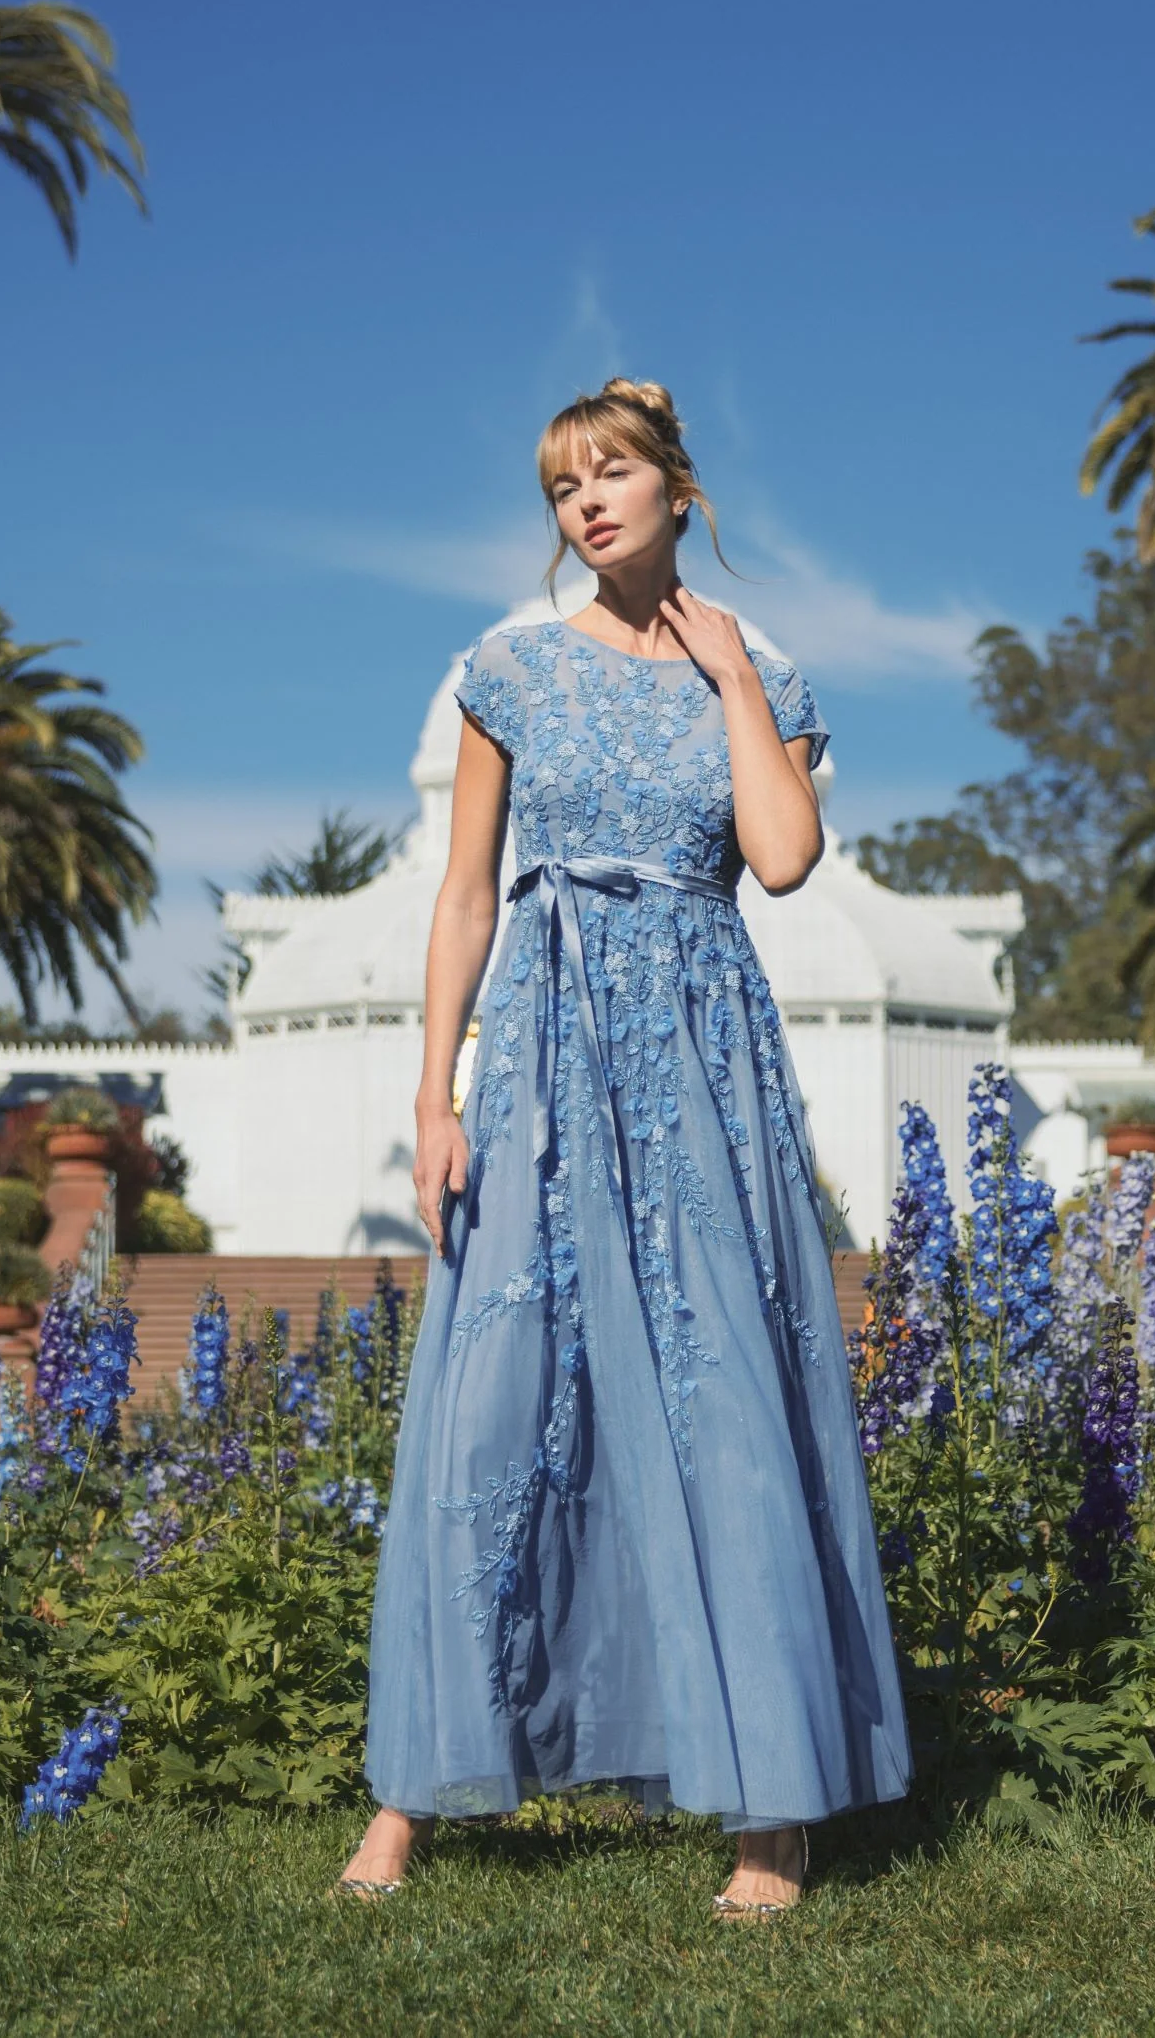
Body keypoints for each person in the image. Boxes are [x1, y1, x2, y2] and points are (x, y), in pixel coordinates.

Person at [337, 379, 909, 1917]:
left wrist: (730, 679)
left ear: (676, 487)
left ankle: (770, 1818)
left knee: (727, 1390)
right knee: (486, 1400)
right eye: (561, 487)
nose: (585, 503)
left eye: (611, 474)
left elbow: (783, 860)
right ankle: (406, 1800)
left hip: (703, 1056)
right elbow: (464, 894)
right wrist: (433, 1096)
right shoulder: (509, 668)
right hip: (539, 1041)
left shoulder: (761, 665)